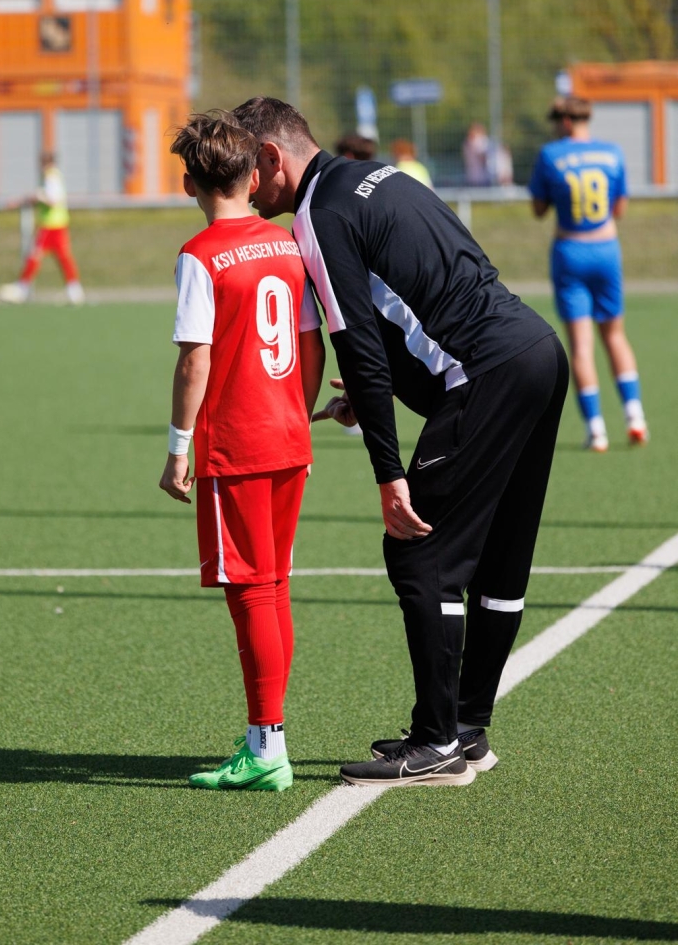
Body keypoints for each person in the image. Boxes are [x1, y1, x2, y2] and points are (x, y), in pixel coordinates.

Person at [232, 96, 568, 788]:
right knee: (499, 560)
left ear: (271, 157)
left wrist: (388, 473)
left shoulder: (319, 215)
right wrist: (369, 398)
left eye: (247, 172)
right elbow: (432, 284)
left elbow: (358, 345)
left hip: (486, 373)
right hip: (534, 348)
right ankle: (465, 730)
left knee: (419, 552)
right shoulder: (375, 175)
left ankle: (437, 742)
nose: (245, 189)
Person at [159, 110, 325, 791]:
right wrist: (298, 414)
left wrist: (178, 448)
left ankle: (265, 746)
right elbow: (311, 341)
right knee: (275, 584)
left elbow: (194, 360)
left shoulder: (199, 256)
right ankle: (267, 738)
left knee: (252, 591)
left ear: (189, 183)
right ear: (254, 176)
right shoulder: (287, 243)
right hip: (287, 438)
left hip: (238, 445)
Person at [529, 95, 648, 452]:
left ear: (565, 121)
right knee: (615, 335)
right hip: (607, 249)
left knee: (581, 345)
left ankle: (596, 430)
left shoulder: (551, 154)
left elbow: (538, 209)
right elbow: (620, 209)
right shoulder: (612, 152)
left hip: (570, 251)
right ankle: (635, 417)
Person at [0, 152, 85, 305]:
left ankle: (22, 288)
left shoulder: (51, 177)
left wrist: (37, 197)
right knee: (62, 257)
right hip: (56, 225)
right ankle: (74, 290)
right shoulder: (50, 177)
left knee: (36, 256)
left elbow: (53, 200)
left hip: (51, 226)